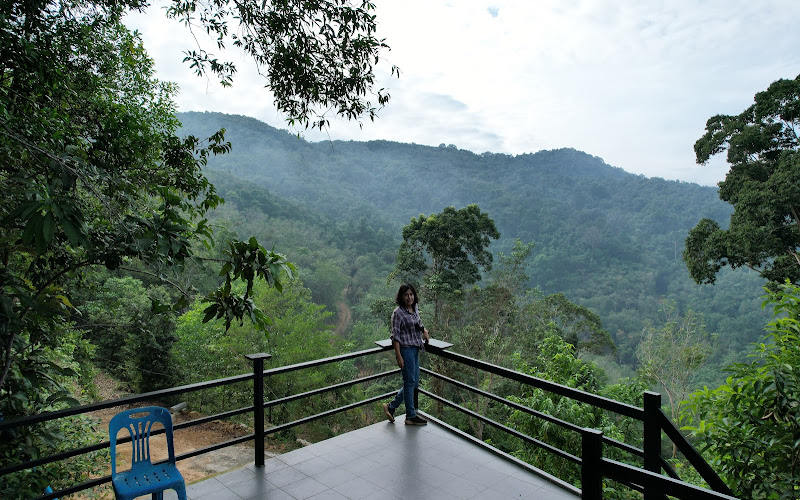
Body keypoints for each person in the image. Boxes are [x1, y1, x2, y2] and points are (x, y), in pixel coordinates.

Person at [382, 283, 430, 425]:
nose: (409, 297)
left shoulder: (414, 309)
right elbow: (395, 336)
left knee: (413, 382)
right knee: (409, 382)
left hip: (415, 349)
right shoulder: (398, 313)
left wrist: (424, 331)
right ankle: (410, 415)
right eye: (406, 295)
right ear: (401, 297)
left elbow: (418, 323)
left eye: (411, 294)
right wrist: (399, 356)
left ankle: (391, 406)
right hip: (406, 350)